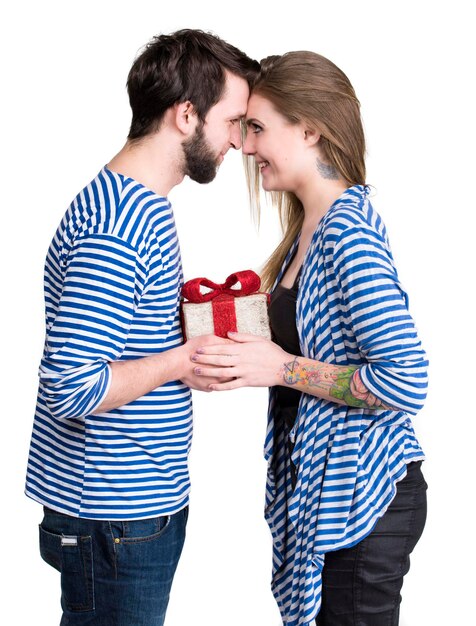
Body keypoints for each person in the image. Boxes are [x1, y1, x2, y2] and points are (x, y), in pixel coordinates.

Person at [25, 29, 258, 626]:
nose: (238, 141)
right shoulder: (120, 224)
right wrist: (181, 362)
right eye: (232, 120)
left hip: (129, 513)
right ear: (186, 115)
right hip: (114, 518)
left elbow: (118, 336)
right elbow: (72, 389)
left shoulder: (139, 205)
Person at [190, 51, 428, 625]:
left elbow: (406, 380)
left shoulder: (347, 231)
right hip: (333, 493)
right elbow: (305, 341)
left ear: (310, 130)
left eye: (257, 128)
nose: (246, 147)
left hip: (363, 498)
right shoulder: (309, 232)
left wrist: (281, 369)